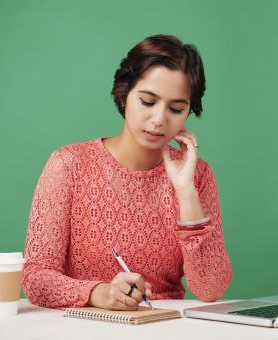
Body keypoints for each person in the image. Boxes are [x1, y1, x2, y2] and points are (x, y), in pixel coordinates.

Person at [22, 34, 232, 310]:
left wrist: (186, 192)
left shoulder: (198, 175)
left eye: (176, 108)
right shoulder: (69, 165)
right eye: (147, 101)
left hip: (164, 328)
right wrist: (101, 294)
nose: (159, 120)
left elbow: (211, 288)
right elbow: (36, 278)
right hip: (83, 328)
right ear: (124, 94)